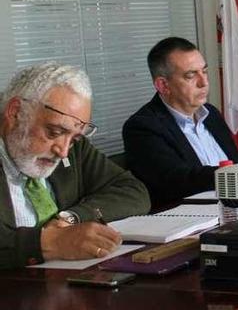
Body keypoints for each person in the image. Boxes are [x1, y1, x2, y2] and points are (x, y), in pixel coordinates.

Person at [0, 62, 149, 269]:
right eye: (53, 132)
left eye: (75, 139)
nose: (62, 151)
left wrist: (71, 218)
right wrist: (49, 243)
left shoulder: (70, 144)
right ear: (15, 112)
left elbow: (133, 191)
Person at [123, 37, 238, 205]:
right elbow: (176, 181)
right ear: (163, 85)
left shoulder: (211, 115)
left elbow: (236, 161)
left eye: (204, 71)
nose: (204, 82)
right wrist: (233, 174)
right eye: (190, 75)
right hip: (196, 218)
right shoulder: (143, 127)